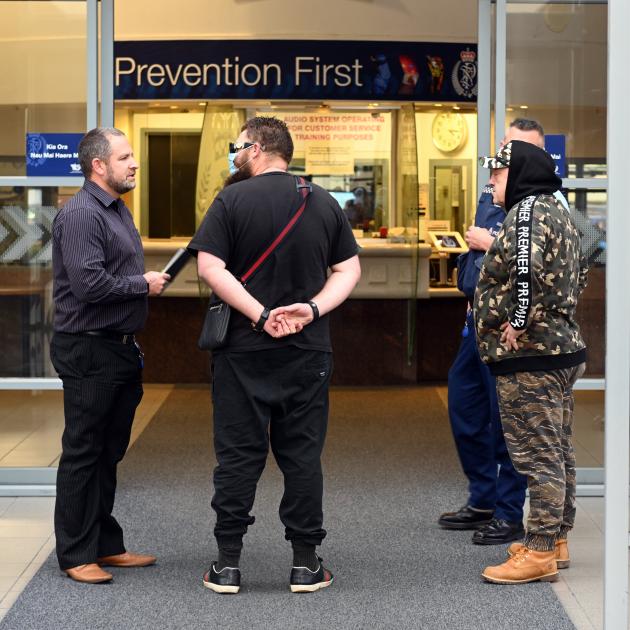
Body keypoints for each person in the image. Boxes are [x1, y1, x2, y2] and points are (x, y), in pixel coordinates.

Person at [188, 117, 360, 594]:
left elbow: (209, 267)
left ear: (257, 148)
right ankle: (305, 564)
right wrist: (311, 308)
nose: (233, 154)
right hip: (307, 349)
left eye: (236, 146)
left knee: (238, 456)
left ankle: (227, 565)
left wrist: (260, 315)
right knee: (302, 455)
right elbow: (349, 268)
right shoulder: (322, 201)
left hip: (243, 350)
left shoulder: (230, 200)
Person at [50, 128, 169, 584]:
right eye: (124, 156)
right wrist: (143, 284)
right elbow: (89, 286)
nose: (134, 163)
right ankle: (76, 554)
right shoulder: (81, 214)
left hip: (117, 349)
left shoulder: (117, 210)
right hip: (88, 349)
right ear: (98, 165)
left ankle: (104, 544)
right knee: (84, 451)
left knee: (108, 452)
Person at [475, 139, 587, 584]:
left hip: (532, 357)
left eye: (498, 175)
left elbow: (526, 270)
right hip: (560, 349)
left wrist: (518, 320)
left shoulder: (525, 212)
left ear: (518, 173)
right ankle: (556, 537)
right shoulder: (561, 211)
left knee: (537, 455)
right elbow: (584, 265)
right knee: (558, 450)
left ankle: (539, 551)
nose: (491, 183)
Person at [438, 120, 546, 545]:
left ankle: (506, 511)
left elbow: (536, 262)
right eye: (504, 145)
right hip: (475, 322)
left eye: (515, 148)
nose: (505, 156)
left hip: (509, 329)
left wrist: (490, 242)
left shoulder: (541, 200)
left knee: (507, 423)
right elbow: (474, 249)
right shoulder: (491, 190)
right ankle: (481, 497)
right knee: (464, 408)